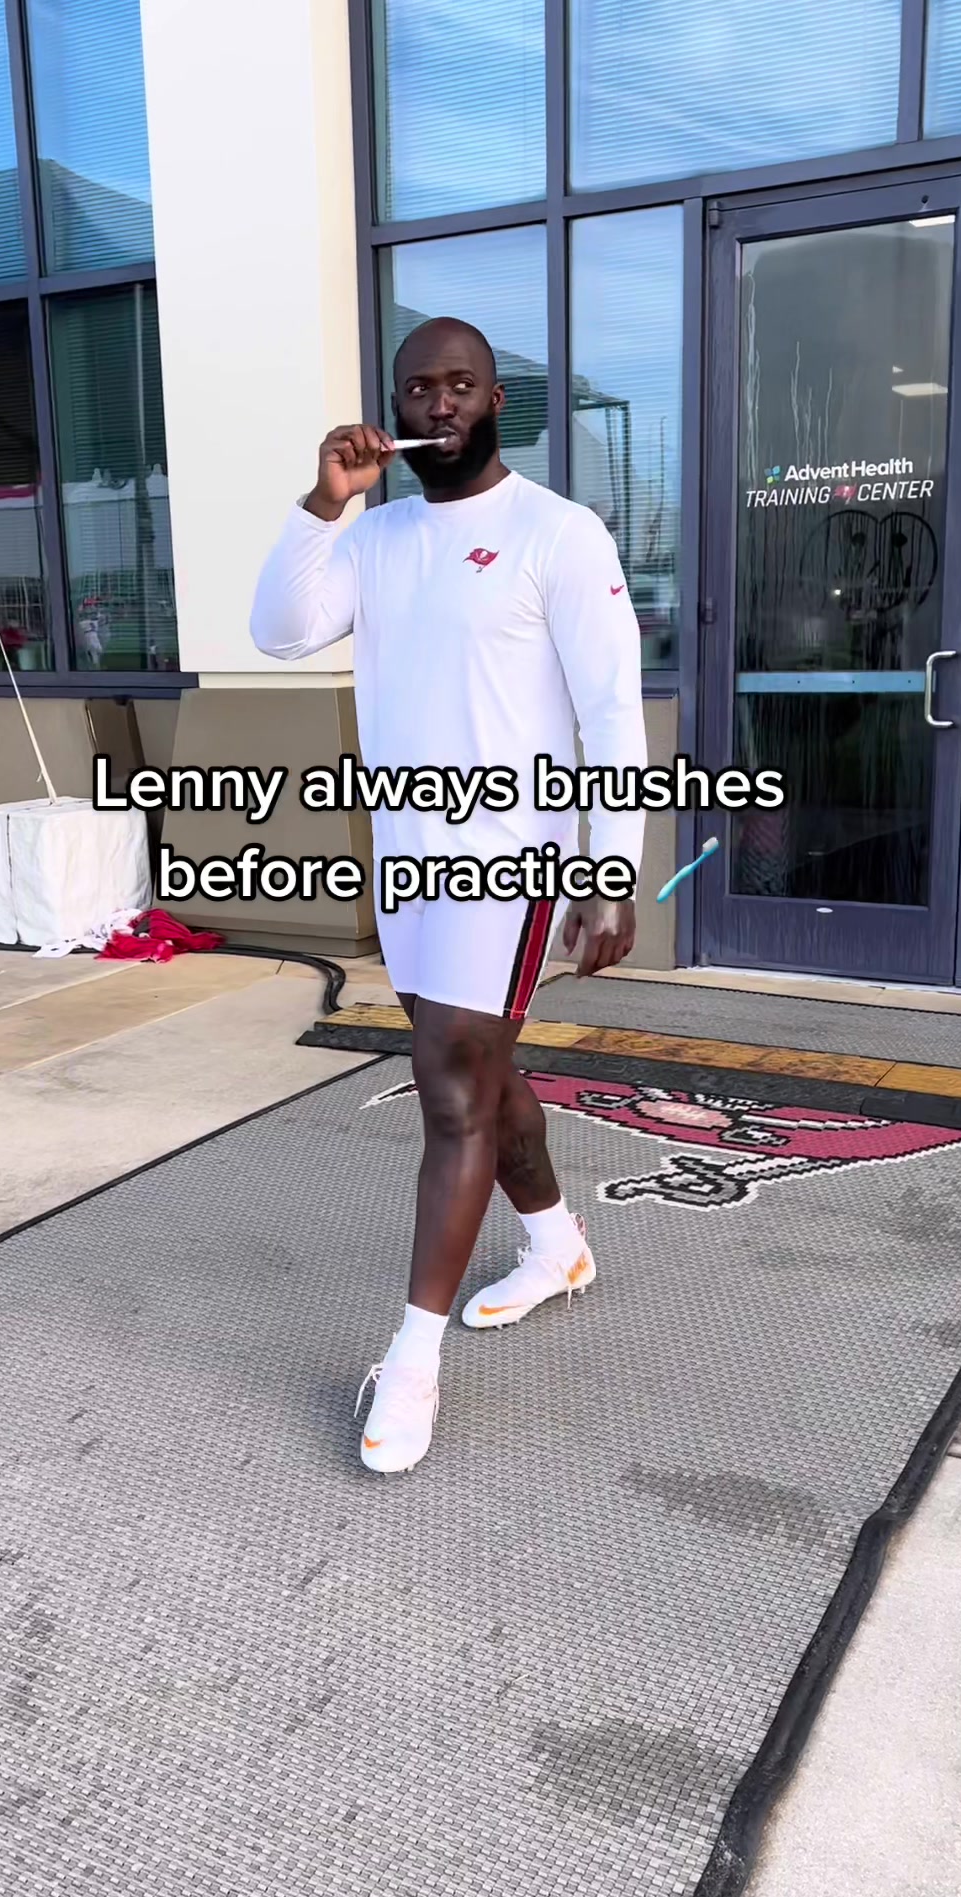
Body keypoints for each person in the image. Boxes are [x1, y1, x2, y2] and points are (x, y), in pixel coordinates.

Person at [250, 317, 646, 1474]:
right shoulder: (375, 538)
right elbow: (279, 633)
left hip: (513, 859)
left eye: (460, 384)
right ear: (395, 409)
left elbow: (611, 710)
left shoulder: (556, 532)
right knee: (480, 1074)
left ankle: (412, 1359)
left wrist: (608, 865)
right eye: (419, 388)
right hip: (410, 861)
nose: (439, 404)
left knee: (453, 1086)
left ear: (496, 402)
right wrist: (323, 504)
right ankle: (558, 1246)